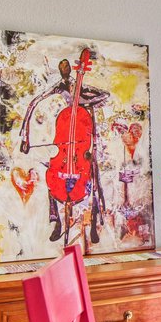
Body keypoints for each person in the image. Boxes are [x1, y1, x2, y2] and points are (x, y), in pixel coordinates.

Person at [18, 55, 111, 245]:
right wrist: (25, 136)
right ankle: (57, 222)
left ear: (70, 68)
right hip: (67, 142)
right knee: (53, 181)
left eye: (66, 67)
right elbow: (34, 102)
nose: (64, 70)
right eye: (62, 68)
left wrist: (85, 102)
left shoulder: (82, 86)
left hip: (83, 143)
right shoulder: (59, 87)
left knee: (93, 179)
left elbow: (105, 95)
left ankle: (93, 222)